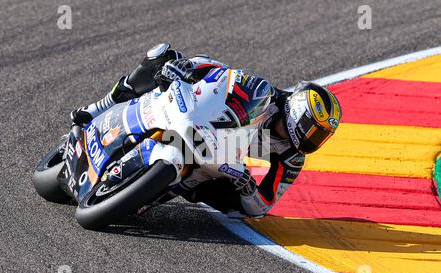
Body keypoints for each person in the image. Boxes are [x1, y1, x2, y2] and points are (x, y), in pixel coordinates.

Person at [71, 43, 342, 218]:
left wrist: (247, 186)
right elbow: (220, 72)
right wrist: (187, 68)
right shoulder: (263, 92)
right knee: (162, 56)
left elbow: (263, 206)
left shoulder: (292, 158)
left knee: (235, 206)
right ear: (297, 113)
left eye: (321, 136)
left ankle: (153, 191)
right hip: (202, 120)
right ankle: (99, 107)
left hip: (221, 159)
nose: (312, 139)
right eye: (312, 129)